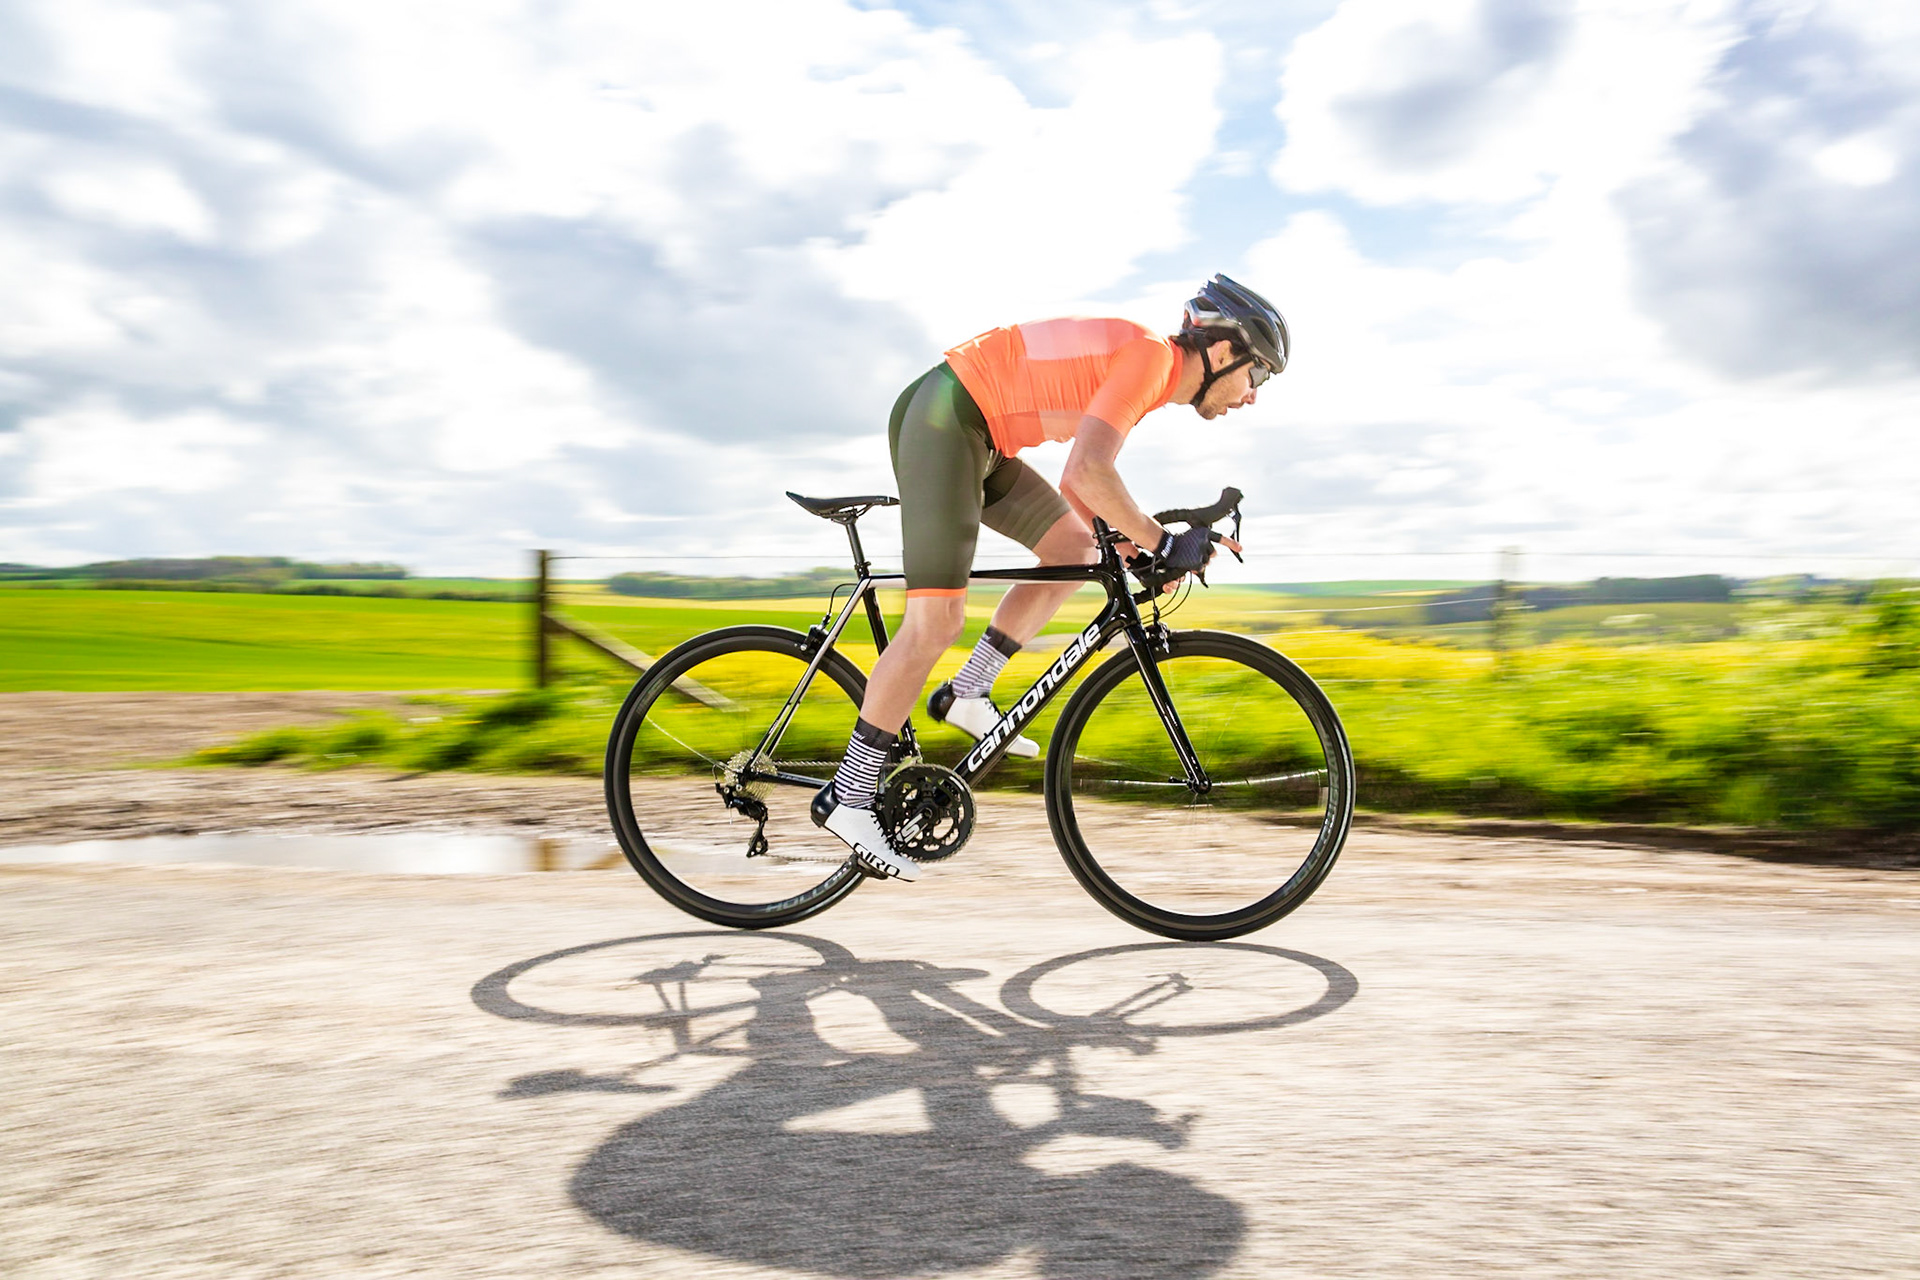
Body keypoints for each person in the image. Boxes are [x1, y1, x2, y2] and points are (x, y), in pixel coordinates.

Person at [813, 275, 1289, 881]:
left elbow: (1078, 489)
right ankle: (849, 797)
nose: (1252, 395)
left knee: (1073, 545)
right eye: (1260, 375)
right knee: (936, 622)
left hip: (978, 434)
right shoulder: (1149, 358)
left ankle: (966, 691)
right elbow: (1089, 470)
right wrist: (1160, 541)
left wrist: (1134, 548)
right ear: (1223, 352)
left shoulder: (1150, 369)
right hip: (945, 419)